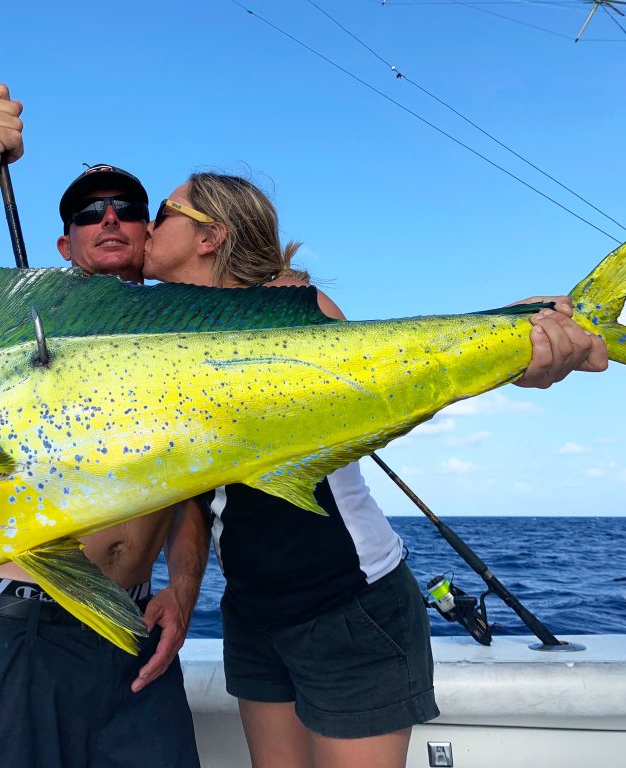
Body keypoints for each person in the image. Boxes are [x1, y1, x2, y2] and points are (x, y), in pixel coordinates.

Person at [143, 171, 609, 768]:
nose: (150, 226)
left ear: (210, 236)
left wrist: (517, 338)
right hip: (252, 610)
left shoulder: (300, 309)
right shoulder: (160, 337)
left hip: (349, 604)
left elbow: (402, 371)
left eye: (163, 211)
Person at [0, 84, 206, 768]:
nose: (109, 219)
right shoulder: (27, 324)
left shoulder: (185, 342)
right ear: (64, 242)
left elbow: (197, 490)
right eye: (87, 212)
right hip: (27, 621)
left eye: (128, 209)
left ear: (151, 233)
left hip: (133, 630)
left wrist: (183, 596)